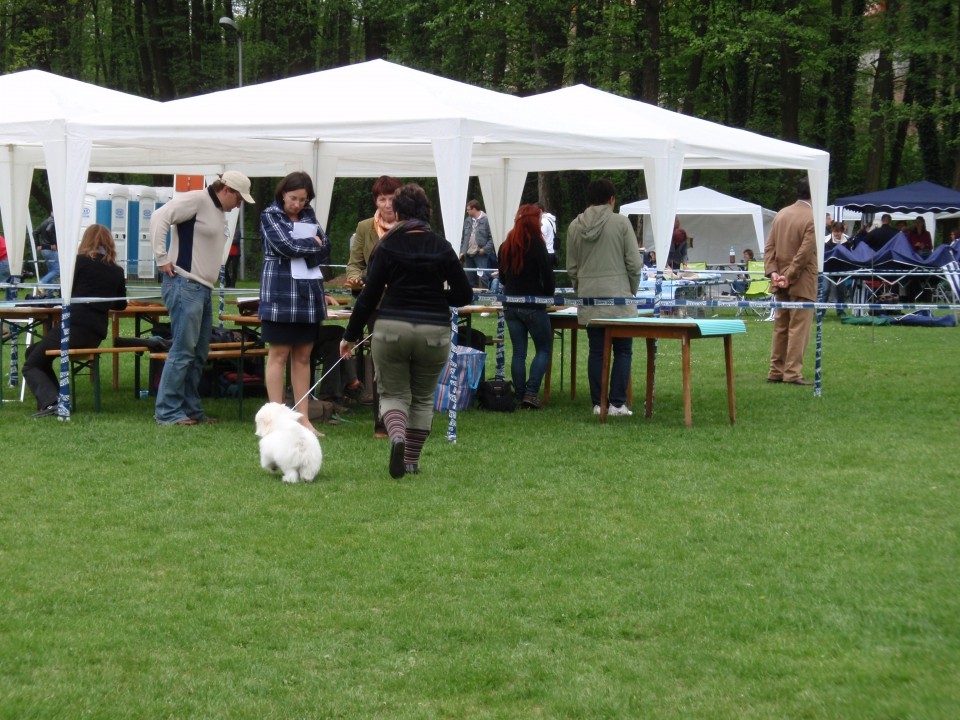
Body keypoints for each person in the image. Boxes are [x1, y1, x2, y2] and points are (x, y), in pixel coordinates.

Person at [340, 183, 473, 479]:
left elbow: (368, 298)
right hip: (434, 330)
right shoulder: (442, 246)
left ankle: (396, 436)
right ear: (427, 211)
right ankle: (411, 460)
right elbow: (464, 295)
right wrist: (438, 299)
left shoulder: (386, 246)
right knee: (423, 397)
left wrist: (349, 336)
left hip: (391, 327)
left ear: (397, 212)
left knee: (392, 393)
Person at [151, 170, 254, 426]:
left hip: (202, 288)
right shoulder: (196, 199)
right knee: (184, 350)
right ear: (227, 190)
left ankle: (190, 410)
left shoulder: (216, 210)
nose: (239, 204)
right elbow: (159, 216)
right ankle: (167, 412)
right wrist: (161, 258)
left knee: (197, 353)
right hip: (185, 284)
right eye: (239, 198)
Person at [24, 224, 127, 417]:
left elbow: (66, 294)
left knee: (32, 363)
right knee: (33, 352)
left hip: (73, 327)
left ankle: (52, 402)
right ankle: (55, 397)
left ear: (86, 241)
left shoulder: (78, 262)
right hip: (95, 333)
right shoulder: (116, 271)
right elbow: (121, 305)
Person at [259, 171, 330, 436]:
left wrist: (310, 245)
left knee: (303, 356)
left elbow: (327, 247)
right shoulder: (270, 215)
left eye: (303, 199)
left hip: (308, 293)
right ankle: (276, 421)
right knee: (278, 354)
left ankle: (303, 420)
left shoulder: (309, 215)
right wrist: (313, 243)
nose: (298, 204)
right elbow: (284, 246)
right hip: (280, 292)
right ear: (282, 193)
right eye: (293, 198)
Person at [566, 178, 643, 415]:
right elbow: (634, 263)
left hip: (590, 298)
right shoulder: (620, 223)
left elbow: (572, 268)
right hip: (619, 297)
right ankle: (617, 403)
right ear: (612, 199)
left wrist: (581, 291)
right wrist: (631, 290)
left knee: (597, 350)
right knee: (623, 350)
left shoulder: (574, 227)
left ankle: (599, 403)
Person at [345, 175, 402, 439]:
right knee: (381, 364)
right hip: (376, 305)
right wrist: (356, 276)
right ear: (375, 201)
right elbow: (354, 262)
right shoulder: (365, 227)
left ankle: (405, 420)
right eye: (383, 199)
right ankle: (381, 422)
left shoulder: (410, 224)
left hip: (405, 303)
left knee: (404, 364)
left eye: (392, 198)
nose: (388, 204)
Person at [498, 204, 556, 409]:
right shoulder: (537, 245)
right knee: (543, 348)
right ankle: (531, 393)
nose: (541, 223)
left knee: (518, 352)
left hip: (511, 305)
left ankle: (520, 393)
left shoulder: (506, 245)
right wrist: (548, 297)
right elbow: (548, 277)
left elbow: (503, 278)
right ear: (533, 221)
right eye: (539, 219)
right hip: (534, 304)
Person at [765, 177, 818, 385]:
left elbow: (769, 247)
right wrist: (789, 275)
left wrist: (774, 273)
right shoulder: (813, 217)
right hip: (801, 281)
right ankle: (792, 373)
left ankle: (775, 371)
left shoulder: (781, 214)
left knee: (781, 326)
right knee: (798, 328)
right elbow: (805, 253)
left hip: (780, 281)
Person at [459, 199, 495, 288]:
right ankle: (473, 300)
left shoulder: (487, 220)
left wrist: (484, 249)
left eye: (468, 209)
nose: (467, 211)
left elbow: (492, 238)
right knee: (470, 279)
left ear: (474, 209)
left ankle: (489, 299)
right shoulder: (467, 220)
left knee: (484, 277)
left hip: (481, 254)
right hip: (468, 254)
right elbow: (463, 238)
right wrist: (462, 251)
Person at [819, 221, 849, 316]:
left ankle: (840, 311)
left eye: (839, 231)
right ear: (832, 230)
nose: (837, 233)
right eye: (836, 231)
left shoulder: (847, 241)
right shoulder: (825, 240)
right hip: (827, 269)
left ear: (842, 231)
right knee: (825, 290)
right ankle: (821, 311)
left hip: (840, 269)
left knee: (841, 291)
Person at [34, 211, 59, 296]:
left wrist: (37, 244)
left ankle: (49, 293)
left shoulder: (44, 221)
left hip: (44, 250)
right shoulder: (52, 221)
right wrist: (53, 243)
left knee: (51, 271)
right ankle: (41, 283)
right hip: (51, 249)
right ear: (52, 212)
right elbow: (49, 230)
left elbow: (35, 232)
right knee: (57, 270)